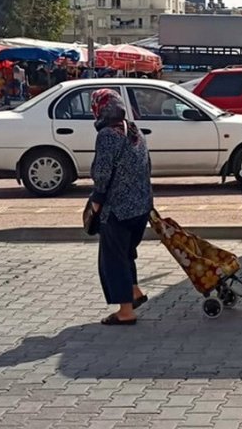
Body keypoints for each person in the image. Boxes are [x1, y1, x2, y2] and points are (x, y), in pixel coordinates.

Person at [88, 88, 153, 325]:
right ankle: (134, 292)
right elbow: (147, 166)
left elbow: (103, 173)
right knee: (126, 253)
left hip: (117, 208)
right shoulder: (134, 130)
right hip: (141, 206)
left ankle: (125, 311)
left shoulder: (107, 134)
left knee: (113, 258)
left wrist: (96, 200)